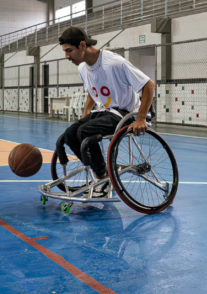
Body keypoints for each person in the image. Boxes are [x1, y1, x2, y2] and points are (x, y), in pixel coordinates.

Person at [56, 26, 155, 197]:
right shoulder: (82, 68)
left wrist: (140, 118)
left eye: (69, 51)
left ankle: (103, 177)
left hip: (127, 114)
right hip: (106, 112)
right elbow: (92, 90)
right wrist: (86, 111)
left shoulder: (115, 63)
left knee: (84, 132)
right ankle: (102, 174)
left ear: (82, 45)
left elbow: (149, 85)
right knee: (70, 134)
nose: (66, 56)